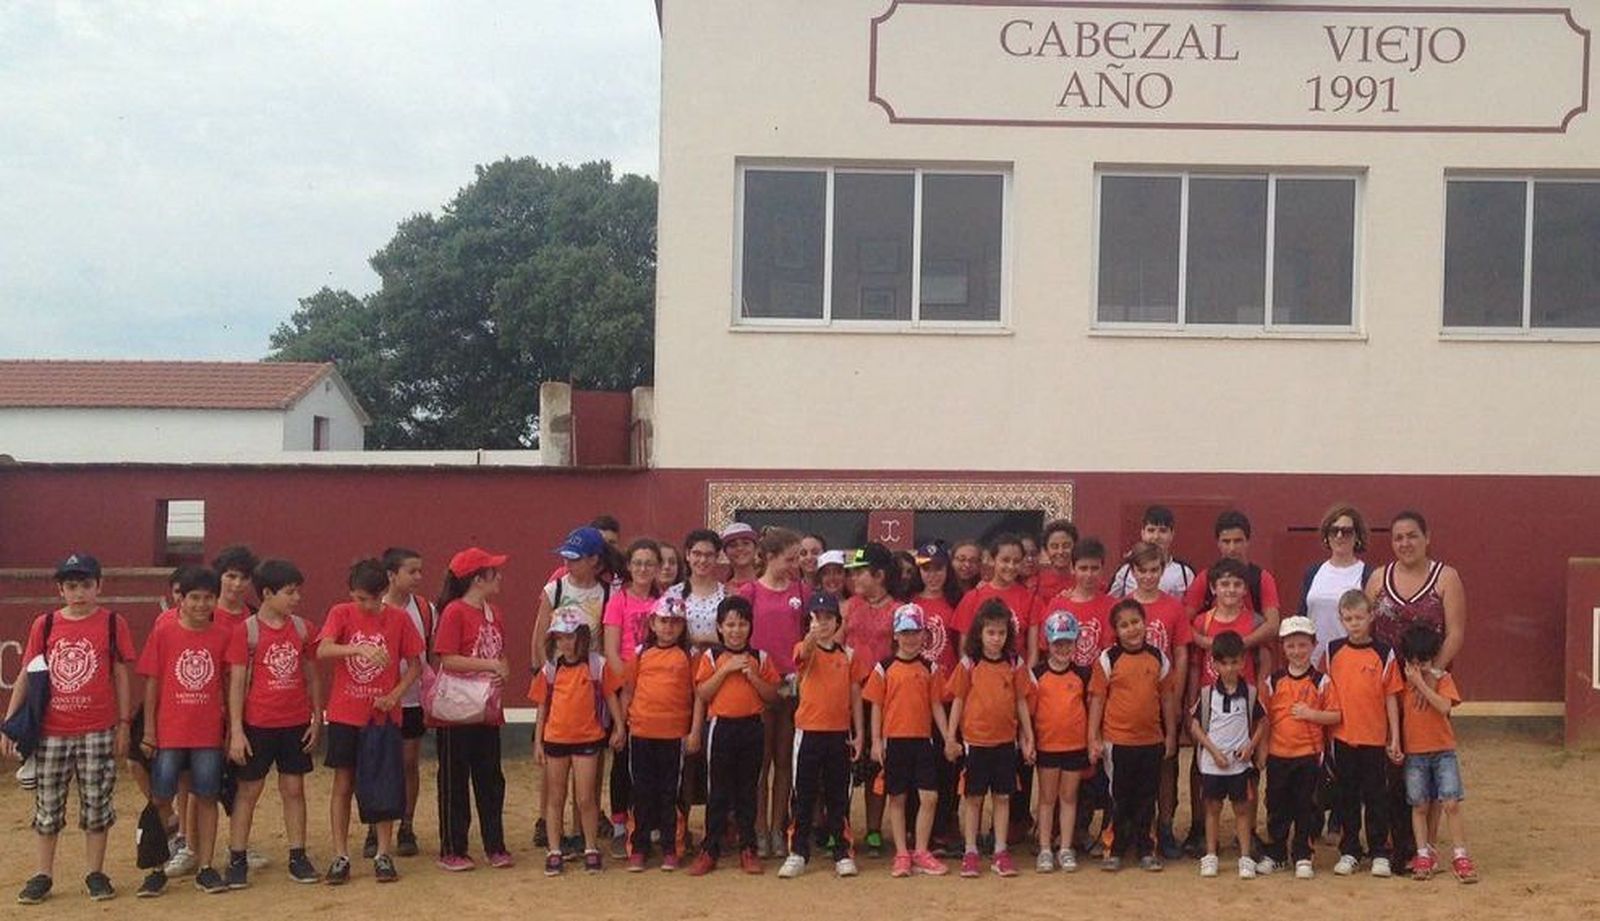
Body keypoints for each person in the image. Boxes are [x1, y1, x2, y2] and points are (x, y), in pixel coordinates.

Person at [3, 553, 134, 905]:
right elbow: (27, 674)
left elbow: (120, 673)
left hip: (97, 728)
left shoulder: (112, 623)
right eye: (71, 586)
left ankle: (95, 872)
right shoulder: (45, 624)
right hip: (51, 730)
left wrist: (124, 723)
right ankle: (43, 874)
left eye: (86, 585)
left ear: (99, 586)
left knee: (97, 803)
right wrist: (9, 724)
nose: (79, 593)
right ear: (60, 590)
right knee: (48, 805)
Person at [1367, 509, 1467, 871]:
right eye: (1398, 537)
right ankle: (1397, 839)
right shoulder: (1378, 578)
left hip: (1429, 685)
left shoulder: (1446, 577)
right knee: (1393, 760)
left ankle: (1428, 845)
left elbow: (1455, 632)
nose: (1405, 543)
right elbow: (1366, 629)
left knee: (1430, 756)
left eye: (1412, 535)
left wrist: (1432, 676)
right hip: (1389, 686)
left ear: (1427, 538)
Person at [316, 559, 425, 885]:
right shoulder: (341, 613)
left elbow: (416, 665)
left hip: (382, 714)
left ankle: (383, 853)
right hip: (345, 713)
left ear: (383, 593)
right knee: (343, 783)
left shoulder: (399, 618)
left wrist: (395, 695)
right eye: (361, 598)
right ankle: (340, 854)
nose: (368, 605)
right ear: (352, 593)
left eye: (374, 599)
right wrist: (357, 649)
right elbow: (323, 650)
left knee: (383, 783)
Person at [224, 559, 323, 888]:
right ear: (267, 593)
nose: (296, 598)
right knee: (248, 790)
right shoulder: (247, 631)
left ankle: (298, 854)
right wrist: (237, 731)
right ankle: (237, 856)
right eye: (290, 592)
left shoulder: (303, 629)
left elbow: (313, 676)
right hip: (259, 722)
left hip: (295, 721)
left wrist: (317, 717)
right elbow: (237, 683)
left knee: (294, 789)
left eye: (297, 592)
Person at [137, 566, 233, 896]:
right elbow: (152, 684)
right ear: (181, 599)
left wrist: (231, 729)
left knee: (207, 797)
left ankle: (205, 866)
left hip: (207, 733)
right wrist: (149, 730)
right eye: (194, 597)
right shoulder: (164, 632)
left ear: (216, 600)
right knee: (161, 798)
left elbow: (227, 683)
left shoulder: (223, 634)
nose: (201, 604)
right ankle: (157, 866)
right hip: (169, 733)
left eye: (208, 598)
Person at [531, 526, 613, 853]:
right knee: (555, 761)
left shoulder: (606, 592)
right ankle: (549, 825)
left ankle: (582, 831)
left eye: (575, 558)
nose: (567, 563)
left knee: (588, 769)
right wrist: (547, 674)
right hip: (559, 680)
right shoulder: (555, 588)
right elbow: (540, 636)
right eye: (565, 557)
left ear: (594, 560)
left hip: (590, 682)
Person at [433, 548, 512, 872]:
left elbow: (500, 654)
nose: (499, 577)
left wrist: (501, 669)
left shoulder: (494, 613)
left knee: (490, 778)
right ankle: (453, 847)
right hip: (458, 708)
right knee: (455, 780)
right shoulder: (454, 612)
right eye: (493, 572)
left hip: (486, 707)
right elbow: (447, 657)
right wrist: (490, 665)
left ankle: (495, 844)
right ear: (478, 579)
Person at [688, 596, 779, 876]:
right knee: (718, 791)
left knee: (748, 791)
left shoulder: (760, 658)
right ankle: (710, 849)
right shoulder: (712, 657)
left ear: (750, 626)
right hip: (721, 728)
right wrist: (725, 670)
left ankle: (748, 848)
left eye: (741, 624)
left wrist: (753, 676)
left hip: (752, 727)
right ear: (719, 627)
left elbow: (772, 696)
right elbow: (703, 692)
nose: (736, 630)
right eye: (730, 625)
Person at [777, 591, 865, 879]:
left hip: (839, 733)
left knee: (838, 796)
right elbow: (803, 655)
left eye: (828, 618)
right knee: (803, 795)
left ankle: (842, 851)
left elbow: (855, 694)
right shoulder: (805, 648)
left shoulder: (848, 655)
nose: (823, 622)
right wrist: (812, 635)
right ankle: (798, 852)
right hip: (809, 733)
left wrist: (860, 733)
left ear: (838, 621)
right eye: (817, 617)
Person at [531, 610, 624, 876]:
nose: (566, 643)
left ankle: (590, 846)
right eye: (560, 637)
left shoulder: (597, 666)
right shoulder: (550, 669)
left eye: (570, 636)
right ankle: (554, 849)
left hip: (588, 738)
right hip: (555, 739)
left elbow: (610, 697)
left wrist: (619, 726)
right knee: (555, 797)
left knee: (586, 797)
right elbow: (542, 708)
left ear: (581, 637)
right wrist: (538, 742)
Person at [1087, 599, 1177, 872]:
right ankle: (1114, 848)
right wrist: (1093, 737)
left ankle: (1146, 849)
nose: (1131, 629)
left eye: (1135, 622)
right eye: (1124, 625)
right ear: (1116, 630)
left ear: (1145, 623)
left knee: (1147, 796)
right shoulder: (1108, 659)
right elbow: (1098, 700)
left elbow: (1167, 699)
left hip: (1151, 741)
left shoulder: (1159, 658)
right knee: (1119, 796)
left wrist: (1171, 734)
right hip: (1118, 742)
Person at [945, 600, 1033, 879]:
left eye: (1001, 633)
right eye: (991, 632)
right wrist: (950, 737)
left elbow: (1021, 701)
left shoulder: (1014, 663)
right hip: (976, 742)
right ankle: (971, 851)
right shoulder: (969, 663)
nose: (996, 638)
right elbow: (958, 701)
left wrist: (1028, 736)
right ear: (979, 633)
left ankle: (1000, 851)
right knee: (973, 798)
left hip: (1006, 742)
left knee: (1003, 797)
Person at [862, 605, 951, 878]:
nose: (910, 638)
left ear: (924, 634)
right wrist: (876, 741)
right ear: (896, 635)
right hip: (895, 741)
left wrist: (948, 737)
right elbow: (876, 706)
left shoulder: (930, 668)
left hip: (923, 741)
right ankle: (902, 853)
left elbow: (936, 705)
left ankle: (921, 851)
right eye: (905, 633)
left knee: (929, 797)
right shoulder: (884, 668)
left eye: (915, 632)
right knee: (897, 797)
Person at [1120, 541, 1192, 859]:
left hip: (1163, 697)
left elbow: (1181, 652)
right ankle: (1132, 827)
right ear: (1132, 572)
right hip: (1131, 700)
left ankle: (1164, 826)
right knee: (1130, 768)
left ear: (1162, 571)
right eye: (1143, 571)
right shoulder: (1122, 607)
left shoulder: (1173, 608)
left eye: (1154, 570)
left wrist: (1176, 695)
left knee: (1166, 764)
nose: (1148, 576)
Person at [1324, 589, 1403, 878]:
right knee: (1346, 796)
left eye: (1359, 617)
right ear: (1341, 620)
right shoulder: (1333, 651)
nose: (1354, 624)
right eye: (1348, 619)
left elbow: (1391, 696)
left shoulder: (1383, 653)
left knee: (1376, 796)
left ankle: (1379, 851)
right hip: (1343, 738)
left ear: (1371, 617)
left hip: (1374, 738)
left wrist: (1394, 737)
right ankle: (1350, 850)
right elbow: (1325, 693)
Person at [740, 527, 807, 858]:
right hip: (759, 681)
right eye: (789, 559)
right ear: (769, 557)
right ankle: (758, 828)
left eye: (797, 559)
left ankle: (778, 828)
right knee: (760, 761)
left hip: (792, 684)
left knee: (783, 759)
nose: (794, 565)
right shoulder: (750, 591)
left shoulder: (801, 591)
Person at [619, 595, 699, 872]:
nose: (668, 627)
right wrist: (621, 726)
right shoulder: (640, 653)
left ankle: (671, 848)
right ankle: (638, 848)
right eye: (664, 621)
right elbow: (628, 691)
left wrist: (693, 731)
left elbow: (698, 696)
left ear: (683, 626)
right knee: (641, 792)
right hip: (641, 732)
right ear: (652, 623)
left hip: (674, 735)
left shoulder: (689, 656)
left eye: (675, 622)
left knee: (669, 794)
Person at [1258, 617, 1339, 879]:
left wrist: (1311, 714)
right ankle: (1277, 854)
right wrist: (1263, 749)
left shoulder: (1321, 681)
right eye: (1291, 646)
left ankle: (1304, 853)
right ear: (1283, 648)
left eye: (1303, 645)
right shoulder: (1274, 681)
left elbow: (1335, 715)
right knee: (1277, 806)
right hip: (1278, 755)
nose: (1297, 651)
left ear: (1313, 645)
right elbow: (1265, 718)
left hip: (1309, 756)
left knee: (1307, 807)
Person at [366, 547, 432, 860]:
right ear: (391, 575)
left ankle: (406, 823)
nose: (418, 577)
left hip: (411, 698)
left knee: (408, 763)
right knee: (375, 763)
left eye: (419, 570)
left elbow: (428, 655)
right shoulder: (371, 607)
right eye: (411, 571)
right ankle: (374, 825)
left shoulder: (426, 609)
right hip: (376, 699)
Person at [1397, 626, 1476, 883]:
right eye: (1413, 663)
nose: (1418, 668)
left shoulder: (1442, 679)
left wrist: (1421, 684)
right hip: (1415, 753)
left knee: (1451, 803)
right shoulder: (1402, 683)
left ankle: (1460, 855)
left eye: (1423, 663)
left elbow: (1444, 707)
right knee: (1419, 805)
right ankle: (1423, 853)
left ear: (1432, 659)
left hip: (1443, 751)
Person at [1189, 631, 1267, 880]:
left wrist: (1250, 747)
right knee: (1212, 809)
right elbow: (1194, 726)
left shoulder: (1250, 693)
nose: (1230, 668)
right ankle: (1211, 855)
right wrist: (1213, 752)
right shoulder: (1207, 694)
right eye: (1224, 663)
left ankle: (1245, 857)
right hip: (1213, 764)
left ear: (1243, 662)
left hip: (1239, 765)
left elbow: (1262, 722)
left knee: (1242, 809)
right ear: (1214, 664)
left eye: (1235, 662)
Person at [603, 539, 664, 855]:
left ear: (657, 568)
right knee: (623, 756)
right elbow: (611, 650)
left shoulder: (663, 602)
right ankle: (619, 824)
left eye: (649, 563)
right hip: (626, 690)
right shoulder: (618, 601)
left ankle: (649, 821)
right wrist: (629, 686)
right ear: (629, 566)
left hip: (656, 689)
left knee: (653, 760)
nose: (643, 568)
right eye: (637, 562)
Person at [842, 542, 899, 855]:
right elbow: (837, 643)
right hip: (850, 693)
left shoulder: (898, 609)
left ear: (879, 575)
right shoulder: (850, 606)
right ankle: (841, 827)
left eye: (861, 572)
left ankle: (874, 830)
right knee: (846, 761)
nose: (855, 578)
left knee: (877, 763)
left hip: (883, 696)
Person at [1029, 612, 1089, 873]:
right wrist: (1029, 740)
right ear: (1048, 643)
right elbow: (1029, 711)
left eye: (1068, 642)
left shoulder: (1082, 674)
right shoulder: (1037, 674)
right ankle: (1045, 847)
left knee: (1069, 798)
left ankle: (1065, 847)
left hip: (1075, 746)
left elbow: (1090, 708)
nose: (1063, 648)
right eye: (1058, 643)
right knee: (1046, 799)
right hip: (1047, 746)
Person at [1183, 511, 1281, 647]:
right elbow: (1183, 622)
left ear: (1248, 541)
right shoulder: (1205, 578)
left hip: (1251, 654)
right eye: (1226, 541)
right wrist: (1207, 643)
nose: (1232, 548)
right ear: (1218, 543)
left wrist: (1239, 645)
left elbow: (1273, 625)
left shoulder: (1261, 578)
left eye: (1238, 541)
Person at [1300, 504, 1373, 665]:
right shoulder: (1313, 573)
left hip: (1351, 662)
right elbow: (1303, 617)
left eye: (1346, 531)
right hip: (1312, 662)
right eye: (1334, 531)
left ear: (1357, 536)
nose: (1339, 536)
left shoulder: (1367, 575)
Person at [1032, 538, 1115, 670]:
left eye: (1094, 568)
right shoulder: (1057, 605)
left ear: (1102, 569)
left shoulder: (1112, 605)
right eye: (1083, 568)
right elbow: (1045, 646)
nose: (1089, 574)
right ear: (1072, 568)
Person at [953, 534, 1034, 660]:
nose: (1011, 566)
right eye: (1005, 560)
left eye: (1016, 561)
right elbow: (964, 649)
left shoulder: (1030, 598)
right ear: (992, 560)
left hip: (1017, 669)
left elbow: (1033, 652)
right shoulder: (972, 597)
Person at [1110, 506, 1195, 598]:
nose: (1156, 537)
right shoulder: (1126, 571)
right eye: (1151, 530)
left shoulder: (1184, 573)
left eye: (1163, 531)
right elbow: (1111, 602)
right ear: (1143, 533)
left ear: (1172, 534)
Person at [673, 529, 727, 651]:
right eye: (697, 554)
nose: (703, 560)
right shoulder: (674, 594)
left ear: (717, 557)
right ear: (688, 555)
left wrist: (704, 640)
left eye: (709, 555)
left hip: (719, 659)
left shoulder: (726, 595)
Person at [1033, 520, 1079, 602]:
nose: (1060, 551)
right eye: (1054, 546)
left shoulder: (1084, 581)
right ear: (1046, 551)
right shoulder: (1036, 584)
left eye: (1066, 546)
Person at [719, 523, 761, 592]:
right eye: (733, 545)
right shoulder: (721, 591)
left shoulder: (770, 586)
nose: (740, 548)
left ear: (756, 549)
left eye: (746, 543)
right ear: (725, 552)